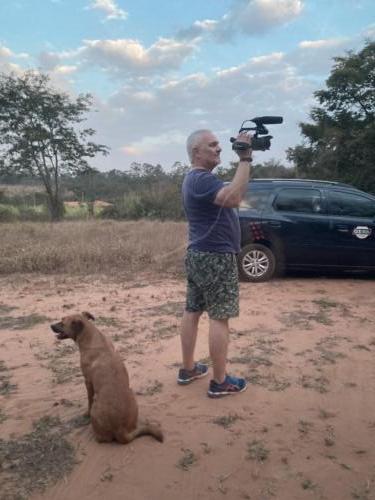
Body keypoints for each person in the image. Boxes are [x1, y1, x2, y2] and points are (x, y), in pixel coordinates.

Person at [178, 128, 252, 398]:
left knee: (193, 309)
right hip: (215, 256)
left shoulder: (197, 180)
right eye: (212, 145)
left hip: (200, 254)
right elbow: (234, 198)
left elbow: (232, 195)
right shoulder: (201, 180)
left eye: (219, 144)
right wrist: (245, 159)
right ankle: (220, 382)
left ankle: (188, 369)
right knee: (219, 317)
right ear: (196, 152)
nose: (219, 148)